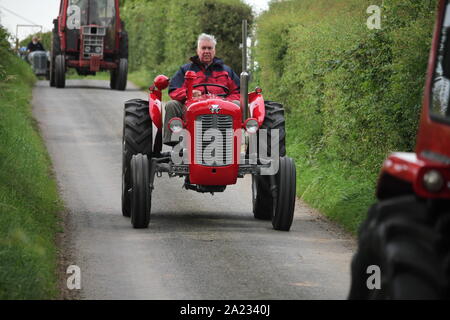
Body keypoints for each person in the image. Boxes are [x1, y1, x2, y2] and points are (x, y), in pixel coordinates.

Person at [163, 33, 240, 146]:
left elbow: (238, 92)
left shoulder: (226, 71)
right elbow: (174, 90)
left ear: (214, 51)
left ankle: (237, 141)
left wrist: (227, 102)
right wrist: (189, 93)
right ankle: (174, 143)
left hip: (222, 106)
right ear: (197, 50)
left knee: (237, 104)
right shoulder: (185, 70)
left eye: (210, 48)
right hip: (191, 106)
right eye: (203, 48)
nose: (206, 51)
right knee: (171, 105)